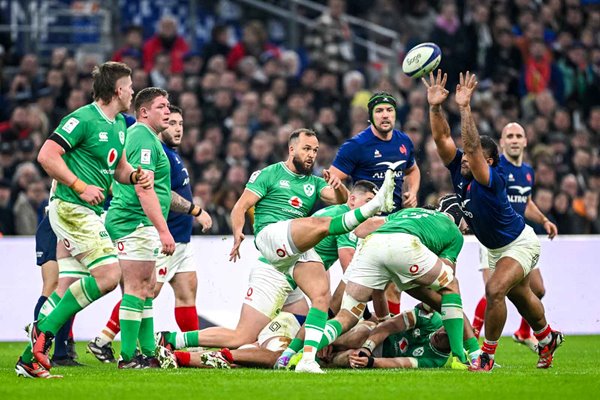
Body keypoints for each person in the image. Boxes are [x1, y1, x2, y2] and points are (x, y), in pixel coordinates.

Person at [16, 61, 151, 379]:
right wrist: (78, 185)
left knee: (68, 285)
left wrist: (134, 175)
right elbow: (47, 155)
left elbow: (116, 168)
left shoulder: (119, 124)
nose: (133, 91)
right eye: (130, 87)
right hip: (69, 207)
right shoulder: (82, 119)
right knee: (108, 275)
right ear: (118, 90)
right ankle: (44, 333)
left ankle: (29, 358)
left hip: (89, 211)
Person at [423, 69, 563, 371]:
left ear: (486, 162)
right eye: (461, 157)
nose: (462, 159)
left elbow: (472, 146)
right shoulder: (460, 171)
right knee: (523, 297)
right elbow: (442, 137)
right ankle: (547, 337)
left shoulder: (492, 179)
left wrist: (464, 107)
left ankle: (486, 355)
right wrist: (435, 107)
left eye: (469, 158)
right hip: (496, 248)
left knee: (495, 289)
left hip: (520, 243)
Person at [228, 128, 395, 373]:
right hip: (270, 236)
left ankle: (306, 361)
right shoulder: (269, 173)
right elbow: (240, 206)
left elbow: (340, 199)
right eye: (307, 148)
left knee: (321, 296)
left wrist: (338, 187)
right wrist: (237, 233)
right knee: (322, 225)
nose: (311, 154)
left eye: (315, 150)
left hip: (294, 248)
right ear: (291, 149)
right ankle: (376, 206)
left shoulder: (315, 182)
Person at [155, 180, 378, 353]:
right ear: (352, 201)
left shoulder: (331, 214)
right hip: (276, 273)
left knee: (305, 323)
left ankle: (292, 355)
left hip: (295, 278)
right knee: (241, 336)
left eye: (375, 204)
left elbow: (320, 261)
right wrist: (365, 312)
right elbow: (353, 272)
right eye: (368, 201)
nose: (373, 209)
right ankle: (172, 339)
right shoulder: (346, 220)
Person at [88, 105, 213, 363]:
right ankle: (105, 339)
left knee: (187, 291)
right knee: (145, 290)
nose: (177, 127)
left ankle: (192, 348)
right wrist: (195, 209)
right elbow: (156, 192)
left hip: (181, 237)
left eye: (181, 123)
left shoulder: (171, 155)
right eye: (172, 122)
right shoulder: (153, 151)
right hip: (161, 234)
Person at [307, 200, 473, 369]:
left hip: (371, 245)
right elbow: (444, 279)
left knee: (347, 317)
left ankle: (300, 353)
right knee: (451, 285)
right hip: (405, 247)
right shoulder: (453, 233)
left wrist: (370, 359)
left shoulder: (408, 213)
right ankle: (464, 355)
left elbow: (361, 230)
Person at [328, 91, 421, 315]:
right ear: (371, 117)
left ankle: (385, 335)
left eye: (389, 110)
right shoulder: (356, 146)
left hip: (394, 221)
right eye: (379, 111)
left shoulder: (403, 141)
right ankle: (327, 325)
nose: (385, 115)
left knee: (393, 286)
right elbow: (332, 182)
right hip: (363, 224)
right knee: (354, 283)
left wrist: (413, 191)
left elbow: (413, 169)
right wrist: (348, 205)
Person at [104, 87, 177, 369]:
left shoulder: (146, 139)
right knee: (135, 288)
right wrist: (163, 230)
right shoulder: (144, 139)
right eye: (161, 106)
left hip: (137, 221)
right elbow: (144, 188)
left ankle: (147, 352)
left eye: (168, 106)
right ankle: (128, 356)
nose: (168, 111)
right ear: (144, 112)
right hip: (134, 221)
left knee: (145, 288)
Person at [471, 122, 558, 351]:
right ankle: (473, 338)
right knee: (494, 290)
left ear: (526, 141)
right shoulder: (496, 170)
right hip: (494, 239)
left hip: (517, 239)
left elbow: (525, 202)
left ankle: (523, 331)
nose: (514, 140)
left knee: (537, 289)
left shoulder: (527, 172)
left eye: (519, 135)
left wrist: (544, 220)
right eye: (509, 136)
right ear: (501, 142)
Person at [327, 304, 451, 370]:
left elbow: (401, 363)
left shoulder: (436, 361)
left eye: (448, 337)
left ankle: (323, 359)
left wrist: (370, 361)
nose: (441, 334)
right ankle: (323, 341)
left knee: (353, 358)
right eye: (445, 329)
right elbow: (388, 326)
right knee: (359, 336)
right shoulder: (433, 320)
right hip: (377, 333)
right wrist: (366, 348)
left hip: (381, 355)